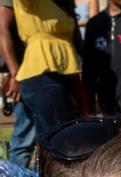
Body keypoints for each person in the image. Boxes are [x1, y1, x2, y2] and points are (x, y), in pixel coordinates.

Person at [11, 0, 82, 140]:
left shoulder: (55, 4)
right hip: (42, 74)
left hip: (60, 73)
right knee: (62, 137)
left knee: (54, 139)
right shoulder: (33, 4)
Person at [0, 0, 38, 167]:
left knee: (57, 140)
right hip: (27, 74)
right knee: (24, 141)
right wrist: (15, 73)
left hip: (55, 76)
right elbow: (1, 28)